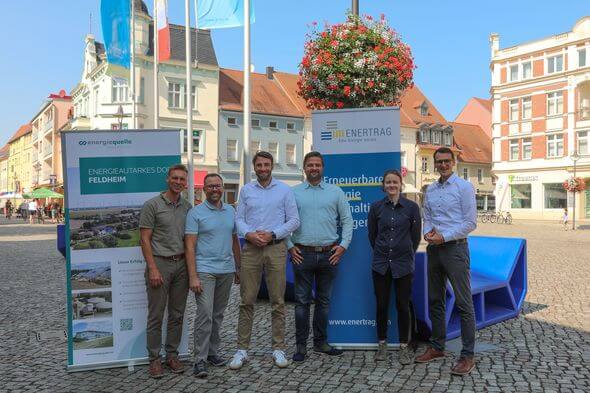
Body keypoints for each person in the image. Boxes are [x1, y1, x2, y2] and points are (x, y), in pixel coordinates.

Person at [229, 151, 300, 370]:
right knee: (246, 300)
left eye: (266, 164)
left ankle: (278, 348)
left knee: (277, 301)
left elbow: (294, 220)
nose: (262, 168)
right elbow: (238, 219)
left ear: (272, 166)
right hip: (250, 248)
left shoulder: (284, 190)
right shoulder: (247, 190)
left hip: (275, 248)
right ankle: (242, 350)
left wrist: (274, 234)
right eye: (259, 165)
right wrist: (249, 234)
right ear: (254, 167)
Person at [415, 147, 477, 376]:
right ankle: (437, 347)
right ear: (434, 164)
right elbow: (428, 216)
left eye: (446, 161)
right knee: (435, 300)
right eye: (439, 162)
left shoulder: (464, 187)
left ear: (454, 162)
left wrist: (445, 236)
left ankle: (467, 355)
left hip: (455, 249)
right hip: (434, 249)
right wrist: (429, 232)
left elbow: (470, 222)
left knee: (463, 303)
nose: (442, 165)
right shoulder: (430, 189)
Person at [287, 151, 353, 362]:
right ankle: (300, 347)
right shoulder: (293, 193)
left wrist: (343, 246)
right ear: (304, 168)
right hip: (302, 254)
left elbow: (348, 221)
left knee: (323, 302)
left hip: (329, 255)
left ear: (323, 168)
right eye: (310, 165)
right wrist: (289, 246)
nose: (314, 168)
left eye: (317, 165)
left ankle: (321, 343)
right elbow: (282, 221)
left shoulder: (336, 192)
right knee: (301, 303)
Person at [185, 173, 241, 378]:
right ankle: (199, 360)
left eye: (218, 186)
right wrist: (193, 276)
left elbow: (234, 240)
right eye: (210, 186)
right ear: (204, 189)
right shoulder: (195, 213)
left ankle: (212, 353)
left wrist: (238, 268)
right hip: (205, 270)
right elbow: (189, 246)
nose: (214, 189)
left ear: (222, 187)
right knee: (204, 314)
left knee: (218, 315)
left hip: (226, 270)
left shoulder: (230, 211)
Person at [139, 164, 192, 379]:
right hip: (159, 264)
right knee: (156, 315)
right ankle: (154, 359)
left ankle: (172, 355)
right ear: (167, 179)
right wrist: (152, 268)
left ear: (186, 183)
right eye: (175, 178)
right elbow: (144, 239)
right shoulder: (152, 205)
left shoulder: (188, 207)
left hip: (182, 266)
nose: (178, 182)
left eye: (182, 179)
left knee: (177, 315)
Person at [368, 169, 421, 365]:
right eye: (388, 182)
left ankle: (404, 347)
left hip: (403, 265)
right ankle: (382, 344)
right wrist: (384, 252)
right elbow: (372, 236)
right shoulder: (376, 208)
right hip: (381, 264)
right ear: (384, 185)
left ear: (401, 184)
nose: (391, 185)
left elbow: (415, 237)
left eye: (395, 182)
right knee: (382, 306)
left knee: (402, 306)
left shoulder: (412, 208)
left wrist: (405, 253)